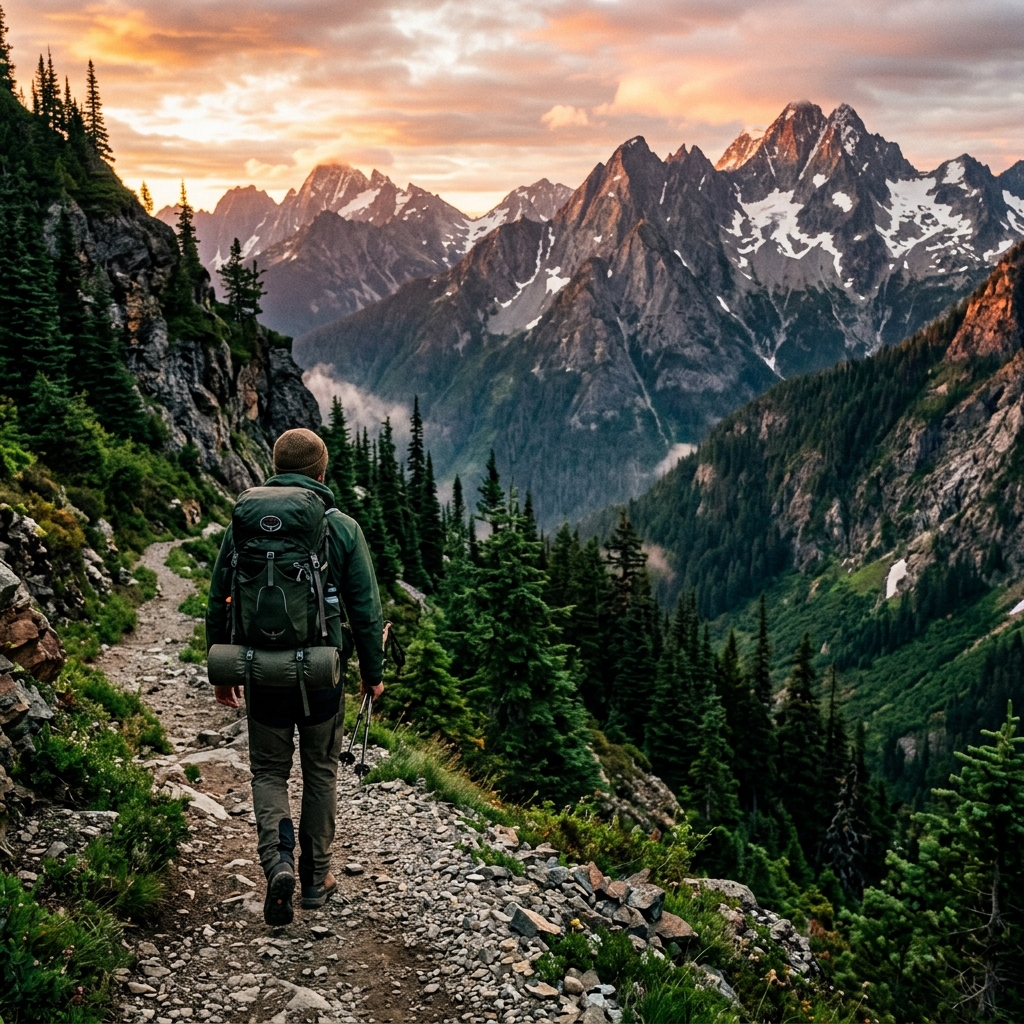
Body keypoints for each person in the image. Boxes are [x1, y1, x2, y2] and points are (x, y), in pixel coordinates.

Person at [205, 427, 385, 926]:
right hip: (322, 674)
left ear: (275, 465)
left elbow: (219, 597)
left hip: (261, 672)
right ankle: (315, 878)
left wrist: (220, 668)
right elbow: (365, 611)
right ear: (321, 472)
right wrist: (374, 673)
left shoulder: (243, 524)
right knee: (321, 770)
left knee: (268, 772)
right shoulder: (341, 528)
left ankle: (278, 863)